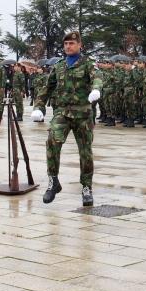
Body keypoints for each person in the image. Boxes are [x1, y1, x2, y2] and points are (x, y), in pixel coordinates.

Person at [31, 31, 102, 206]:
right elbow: (47, 88)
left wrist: (96, 89)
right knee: (52, 142)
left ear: (79, 45)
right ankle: (53, 181)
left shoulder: (88, 64)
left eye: (71, 43)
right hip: (62, 113)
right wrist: (38, 107)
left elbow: (98, 78)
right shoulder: (59, 66)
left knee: (85, 152)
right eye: (66, 44)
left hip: (83, 114)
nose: (68, 46)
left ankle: (86, 188)